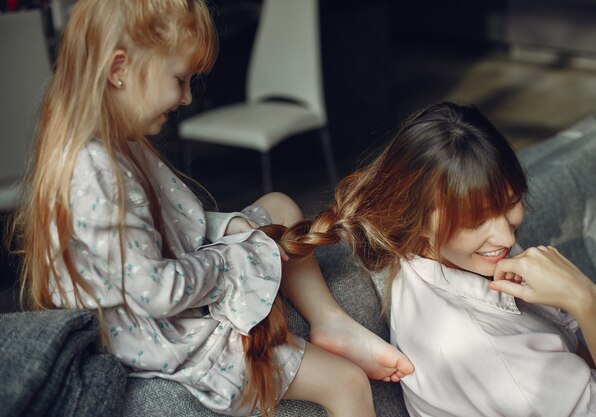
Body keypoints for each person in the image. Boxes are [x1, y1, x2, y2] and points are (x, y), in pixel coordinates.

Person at [7, 1, 414, 416]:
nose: (185, 97)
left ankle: (331, 323)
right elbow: (155, 293)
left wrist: (228, 227)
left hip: (176, 290)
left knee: (278, 205)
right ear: (118, 70)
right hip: (163, 332)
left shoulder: (116, 145)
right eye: (180, 79)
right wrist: (234, 259)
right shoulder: (93, 171)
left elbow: (172, 229)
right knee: (346, 383)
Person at [268, 101, 596, 416]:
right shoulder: (489, 353)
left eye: (512, 202)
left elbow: (276, 207)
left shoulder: (453, 253)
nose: (506, 236)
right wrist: (587, 300)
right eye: (476, 220)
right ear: (417, 219)